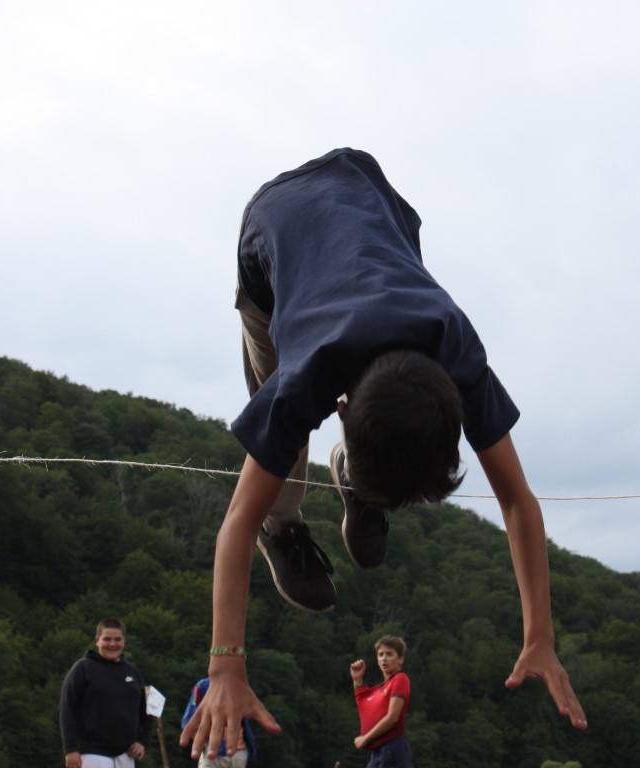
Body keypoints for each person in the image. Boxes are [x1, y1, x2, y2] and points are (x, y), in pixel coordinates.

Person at [180, 147, 587, 762]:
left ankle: (359, 479)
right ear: (342, 411)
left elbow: (517, 502)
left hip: (373, 198)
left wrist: (540, 637)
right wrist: (226, 667)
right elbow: (235, 523)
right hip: (274, 233)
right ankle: (284, 527)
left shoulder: (457, 352)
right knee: (279, 454)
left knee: (375, 434)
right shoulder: (305, 377)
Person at [60, 618, 153, 768]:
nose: (112, 644)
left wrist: (142, 742)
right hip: (91, 755)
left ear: (124, 641)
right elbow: (67, 710)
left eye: (117, 639)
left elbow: (149, 710)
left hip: (125, 756)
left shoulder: (133, 672)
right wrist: (70, 749)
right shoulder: (82, 669)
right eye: (107, 639)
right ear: (97, 640)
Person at [351, 635, 413, 767]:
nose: (384, 658)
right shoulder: (379, 689)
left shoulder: (400, 679)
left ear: (400, 659)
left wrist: (365, 739)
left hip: (392, 748)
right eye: (381, 654)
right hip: (377, 753)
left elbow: (392, 718)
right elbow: (364, 705)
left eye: (389, 654)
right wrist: (357, 680)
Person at [181, 677, 256, 768]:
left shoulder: (202, 686)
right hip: (228, 752)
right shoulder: (203, 686)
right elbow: (188, 720)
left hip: (228, 752)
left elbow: (188, 720)